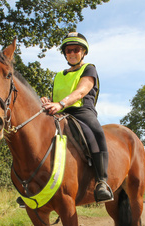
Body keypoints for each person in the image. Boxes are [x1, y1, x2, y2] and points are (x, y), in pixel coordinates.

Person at [42, 32, 113, 202]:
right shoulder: (58, 75)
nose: (72, 53)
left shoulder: (89, 68)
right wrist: (47, 101)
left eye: (76, 50)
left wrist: (61, 104)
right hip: (59, 111)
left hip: (82, 112)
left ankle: (102, 181)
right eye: (68, 50)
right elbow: (56, 97)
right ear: (65, 54)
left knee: (95, 132)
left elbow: (81, 91)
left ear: (83, 52)